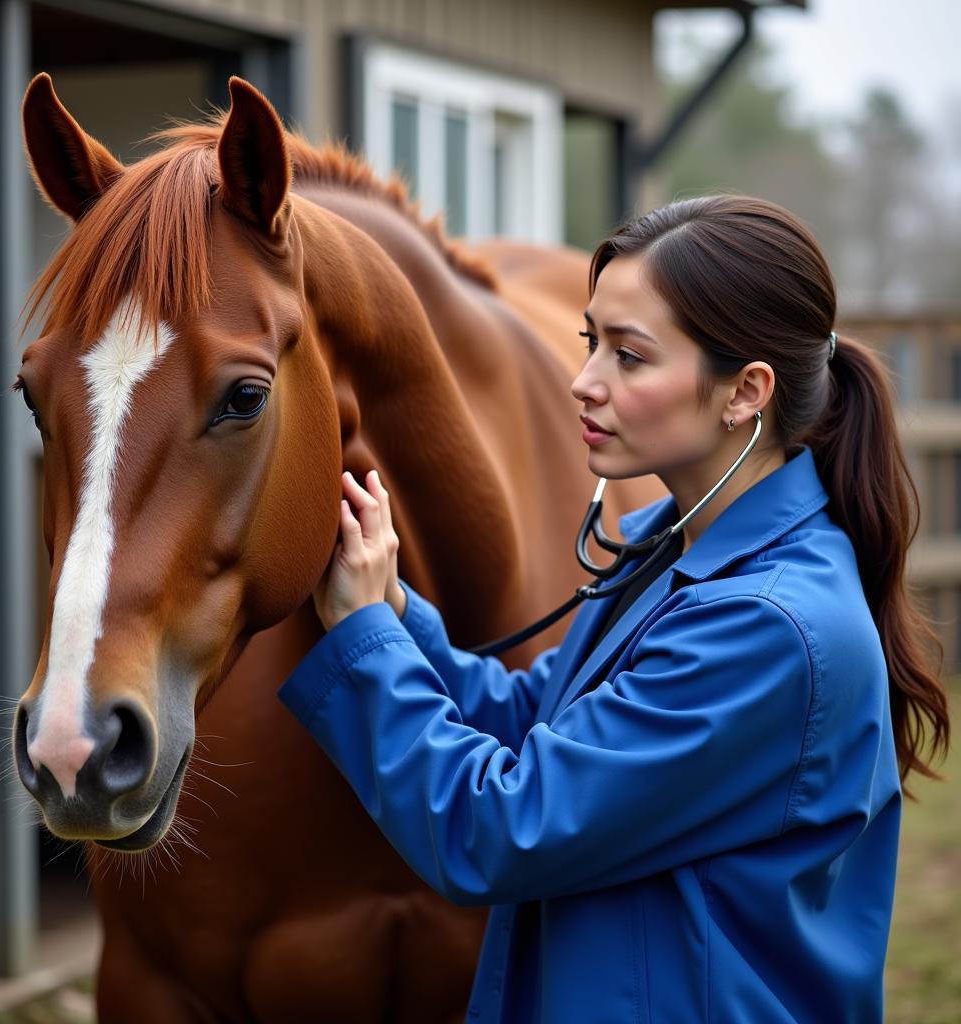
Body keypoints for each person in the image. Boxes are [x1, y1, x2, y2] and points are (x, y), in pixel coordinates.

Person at [277, 195, 949, 1023]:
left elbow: (500, 826)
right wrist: (391, 606)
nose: (582, 382)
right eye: (592, 341)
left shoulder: (768, 627)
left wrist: (363, 642)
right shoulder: (676, 551)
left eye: (630, 357)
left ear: (745, 392)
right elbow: (532, 718)